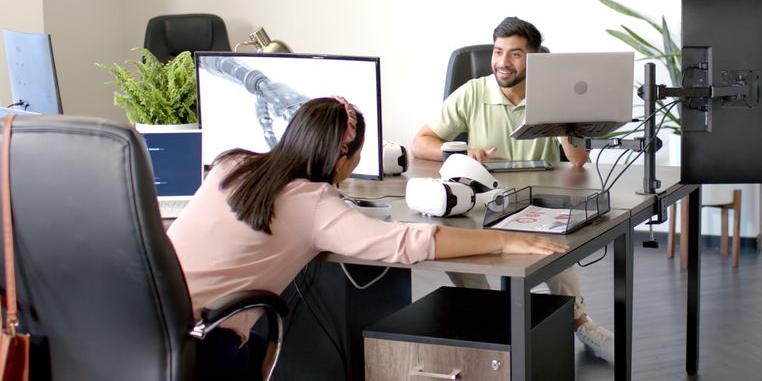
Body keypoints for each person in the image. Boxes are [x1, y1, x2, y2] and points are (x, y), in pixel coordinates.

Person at [168, 96, 566, 380]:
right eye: (356, 159)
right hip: (205, 345)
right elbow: (409, 242)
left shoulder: (231, 164)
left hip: (141, 325)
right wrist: (502, 241)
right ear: (342, 158)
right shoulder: (313, 204)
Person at [411, 16, 614, 360]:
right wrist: (457, 151)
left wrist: (560, 112)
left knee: (557, 252)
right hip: (481, 204)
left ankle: (578, 321)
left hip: (537, 204)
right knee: (452, 246)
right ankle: (488, 318)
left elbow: (578, 160)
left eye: (515, 54)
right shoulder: (474, 92)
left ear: (533, 59)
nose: (503, 62)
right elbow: (420, 142)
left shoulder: (550, 95)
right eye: (498, 51)